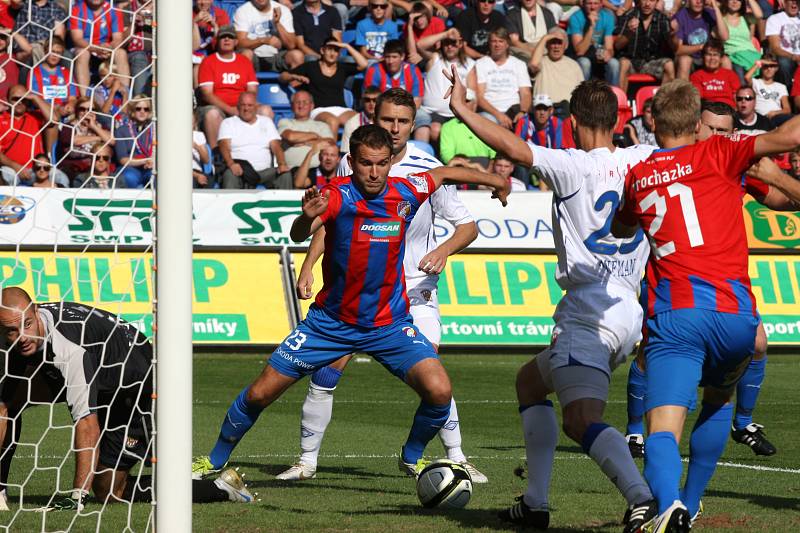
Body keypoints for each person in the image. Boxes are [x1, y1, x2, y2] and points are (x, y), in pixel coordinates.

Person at [191, 124, 508, 484]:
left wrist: (497, 182)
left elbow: (447, 171)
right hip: (329, 324)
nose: (374, 172)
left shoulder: (409, 189)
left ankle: (411, 457)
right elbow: (298, 234)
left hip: (389, 324)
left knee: (439, 391)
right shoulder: (336, 196)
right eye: (365, 163)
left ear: (391, 161)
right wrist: (307, 216)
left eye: (381, 163)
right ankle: (213, 460)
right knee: (261, 392)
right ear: (351, 162)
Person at [446, 69, 659, 531]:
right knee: (529, 383)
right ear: (618, 120)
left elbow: (512, 148)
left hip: (587, 313)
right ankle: (536, 502)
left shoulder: (572, 165)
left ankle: (642, 499)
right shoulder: (646, 158)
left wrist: (463, 108)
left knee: (580, 420)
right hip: (631, 311)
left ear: (575, 123)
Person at [272, 90, 489, 483]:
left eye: (402, 121)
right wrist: (308, 264)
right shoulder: (351, 163)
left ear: (412, 124)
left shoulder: (429, 168)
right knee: (325, 373)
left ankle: (455, 457)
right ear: (375, 118)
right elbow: (334, 218)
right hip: (353, 293)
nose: (394, 128)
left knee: (432, 375)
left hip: (413, 290)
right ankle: (306, 462)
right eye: (387, 119)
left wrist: (441, 252)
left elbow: (467, 225)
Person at [611, 79, 800, 530]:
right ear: (698, 124)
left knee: (662, 426)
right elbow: (791, 137)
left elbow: (620, 230)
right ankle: (691, 505)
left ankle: (669, 503)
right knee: (717, 403)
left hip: (677, 317)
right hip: (736, 317)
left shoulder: (637, 177)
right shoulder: (722, 152)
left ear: (652, 122)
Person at [0, 287, 255, 510]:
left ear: (36, 310)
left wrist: (77, 496)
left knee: (109, 490)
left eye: (27, 324)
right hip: (103, 375)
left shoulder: (70, 348)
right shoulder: (26, 338)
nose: (21, 337)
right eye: (11, 331)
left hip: (137, 383)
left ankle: (223, 488)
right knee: (6, 401)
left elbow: (86, 423)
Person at [281, 38, 368, 135]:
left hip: (341, 109)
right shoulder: (311, 67)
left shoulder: (342, 68)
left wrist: (346, 46)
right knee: (332, 121)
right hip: (319, 109)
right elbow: (282, 77)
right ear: (322, 50)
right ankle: (331, 150)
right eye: (329, 49)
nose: (332, 53)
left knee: (359, 121)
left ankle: (351, 150)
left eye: (336, 50)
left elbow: (364, 64)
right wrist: (294, 76)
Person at [196, 26, 261, 152]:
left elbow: (252, 91)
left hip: (241, 106)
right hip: (217, 107)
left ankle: (260, 152)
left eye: (230, 37)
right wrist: (231, 110)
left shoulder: (244, 61)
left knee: (265, 110)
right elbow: (207, 94)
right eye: (223, 37)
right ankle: (217, 156)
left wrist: (244, 108)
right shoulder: (208, 62)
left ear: (236, 42)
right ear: (217, 41)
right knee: (212, 114)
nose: (226, 39)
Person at [219, 92, 291, 189]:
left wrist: (282, 164)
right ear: (237, 106)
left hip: (265, 171)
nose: (246, 108)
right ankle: (228, 204)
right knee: (229, 175)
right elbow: (224, 146)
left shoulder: (266, 122)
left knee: (285, 174)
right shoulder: (228, 123)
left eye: (250, 105)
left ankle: (284, 204)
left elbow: (276, 146)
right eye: (243, 105)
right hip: (240, 171)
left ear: (256, 107)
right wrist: (231, 164)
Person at [471, 27, 531, 129]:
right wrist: (499, 115)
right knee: (488, 123)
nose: (497, 44)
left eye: (500, 41)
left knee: (524, 123)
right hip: (490, 113)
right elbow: (479, 97)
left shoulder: (519, 64)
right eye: (494, 41)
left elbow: (526, 93)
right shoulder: (481, 64)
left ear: (507, 44)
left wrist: (523, 111)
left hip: (514, 110)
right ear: (489, 43)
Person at [69, 0, 130, 96]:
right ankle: (85, 97)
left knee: (121, 53)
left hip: (106, 48)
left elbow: (118, 38)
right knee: (82, 53)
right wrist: (95, 48)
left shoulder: (113, 9)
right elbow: (77, 39)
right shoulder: (77, 9)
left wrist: (109, 47)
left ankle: (125, 96)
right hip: (86, 47)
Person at [614, 0, 675, 93]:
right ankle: (621, 105)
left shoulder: (662, 18)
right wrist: (629, 33)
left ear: (657, 2)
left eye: (651, 0)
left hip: (651, 62)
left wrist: (673, 34)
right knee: (623, 63)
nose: (647, 4)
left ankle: (661, 104)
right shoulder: (628, 15)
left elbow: (674, 47)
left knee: (669, 65)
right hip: (630, 61)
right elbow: (617, 45)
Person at [0, 85, 52, 186]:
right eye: (15, 99)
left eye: (24, 99)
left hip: (37, 169)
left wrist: (35, 98)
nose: (20, 102)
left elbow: (54, 119)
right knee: (7, 175)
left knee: (60, 177)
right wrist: (15, 166)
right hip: (11, 169)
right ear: (7, 100)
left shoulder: (35, 116)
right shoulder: (1, 120)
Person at [233, 0, 303, 72]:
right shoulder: (243, 11)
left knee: (297, 56)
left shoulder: (282, 10)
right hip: (253, 55)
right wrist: (264, 40)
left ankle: (297, 83)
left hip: (277, 55)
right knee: (246, 54)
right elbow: (239, 44)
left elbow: (291, 45)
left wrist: (277, 23)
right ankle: (244, 82)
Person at [529, 27, 583, 116]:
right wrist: (544, 38)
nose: (556, 46)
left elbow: (582, 94)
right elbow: (533, 65)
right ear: (547, 45)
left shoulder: (574, 65)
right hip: (545, 112)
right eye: (553, 42)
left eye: (559, 42)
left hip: (568, 113)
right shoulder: (541, 61)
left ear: (565, 45)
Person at [58, 96, 114, 182]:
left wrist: (94, 127)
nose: (86, 112)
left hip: (97, 167)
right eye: (82, 109)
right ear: (77, 111)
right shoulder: (69, 127)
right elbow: (73, 140)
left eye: (91, 110)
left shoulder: (100, 127)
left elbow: (112, 141)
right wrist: (98, 137)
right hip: (73, 167)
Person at [278, 90, 336, 170]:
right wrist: (315, 136)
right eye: (297, 102)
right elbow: (290, 136)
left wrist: (301, 141)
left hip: (317, 171)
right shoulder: (285, 122)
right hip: (292, 171)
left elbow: (330, 143)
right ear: (292, 106)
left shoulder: (322, 125)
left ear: (312, 106)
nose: (301, 105)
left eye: (305, 102)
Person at [567, 0, 620, 87]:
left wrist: (608, 54)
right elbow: (580, 51)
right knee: (585, 62)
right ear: (583, 4)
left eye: (596, 3)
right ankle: (582, 96)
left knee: (614, 63)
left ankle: (613, 96)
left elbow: (609, 47)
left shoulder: (607, 17)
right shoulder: (575, 17)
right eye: (589, 3)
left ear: (601, 4)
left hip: (597, 55)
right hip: (579, 57)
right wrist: (592, 26)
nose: (593, 7)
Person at [671, 0, 728, 80]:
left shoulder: (709, 13)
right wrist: (701, 47)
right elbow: (678, 50)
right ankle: (683, 91)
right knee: (685, 60)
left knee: (725, 60)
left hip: (707, 56)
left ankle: (726, 90)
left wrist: (715, 8)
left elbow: (724, 36)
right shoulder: (680, 16)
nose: (698, 2)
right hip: (689, 57)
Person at [364, 39, 426, 109]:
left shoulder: (413, 71)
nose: (390, 61)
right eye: (387, 57)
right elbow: (371, 100)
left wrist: (400, 114)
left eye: (394, 57)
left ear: (402, 56)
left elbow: (417, 101)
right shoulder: (374, 70)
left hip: (407, 112)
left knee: (423, 117)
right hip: (381, 112)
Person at [12, 0, 69, 65]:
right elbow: (15, 1)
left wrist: (50, 49)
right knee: (31, 52)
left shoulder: (56, 8)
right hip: (24, 47)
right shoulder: (24, 4)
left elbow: (58, 35)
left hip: (45, 46)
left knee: (67, 56)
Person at [115, 96, 154, 188]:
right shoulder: (122, 131)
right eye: (138, 108)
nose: (142, 112)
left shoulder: (155, 130)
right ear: (132, 111)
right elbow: (123, 160)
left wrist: (153, 162)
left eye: (146, 109)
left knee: (156, 177)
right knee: (129, 177)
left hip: (151, 168)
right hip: (131, 168)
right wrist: (145, 161)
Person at [720, 0, 762, 84]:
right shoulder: (720, 19)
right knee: (739, 72)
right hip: (733, 56)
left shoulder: (746, 18)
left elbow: (759, 15)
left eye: (739, 0)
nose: (735, 1)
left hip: (751, 55)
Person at [689, 39, 740, 107]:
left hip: (729, 110)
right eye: (708, 54)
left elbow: (737, 96)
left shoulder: (730, 75)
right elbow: (698, 100)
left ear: (721, 59)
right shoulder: (696, 76)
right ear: (703, 57)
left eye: (715, 55)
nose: (712, 58)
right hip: (708, 110)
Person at [746, 53, 793, 125]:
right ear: (761, 67)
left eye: (772, 66)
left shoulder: (781, 86)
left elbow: (787, 109)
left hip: (778, 116)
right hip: (761, 117)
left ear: (776, 68)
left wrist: (774, 113)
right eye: (766, 66)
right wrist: (760, 62)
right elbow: (747, 77)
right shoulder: (756, 82)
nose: (769, 69)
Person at [765, 0, 800, 86]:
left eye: (797, 1)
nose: (794, 3)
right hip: (786, 56)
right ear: (784, 3)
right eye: (791, 0)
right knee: (784, 63)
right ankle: (787, 93)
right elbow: (775, 48)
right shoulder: (775, 19)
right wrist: (794, 57)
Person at [341, 86, 381, 153]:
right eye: (367, 100)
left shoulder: (387, 122)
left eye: (375, 100)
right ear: (362, 102)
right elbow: (346, 153)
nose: (371, 103)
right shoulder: (352, 123)